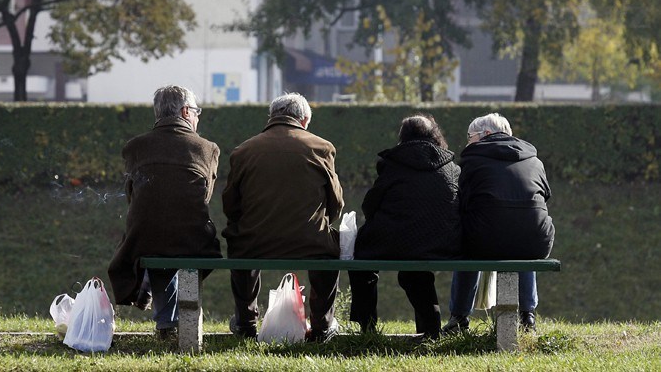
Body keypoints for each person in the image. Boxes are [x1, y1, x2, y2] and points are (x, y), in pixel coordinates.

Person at [222, 92, 344, 342]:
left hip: (255, 242)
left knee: (238, 240)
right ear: (304, 120)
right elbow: (336, 204)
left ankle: (245, 322)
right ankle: (322, 324)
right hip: (310, 243)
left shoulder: (243, 151)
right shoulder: (322, 147)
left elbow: (230, 205)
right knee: (331, 246)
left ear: (272, 117)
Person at [108, 85, 222, 338]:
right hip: (192, 238)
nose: (197, 116)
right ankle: (175, 317)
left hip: (143, 237)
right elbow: (204, 196)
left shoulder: (135, 146)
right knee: (190, 241)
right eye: (196, 111)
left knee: (156, 237)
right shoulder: (207, 148)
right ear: (184, 112)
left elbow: (132, 195)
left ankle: (165, 323)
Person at [348, 115, 462, 339]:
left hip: (393, 241)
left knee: (362, 262)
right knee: (414, 273)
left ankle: (367, 327)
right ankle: (431, 328)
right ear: (434, 135)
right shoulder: (451, 168)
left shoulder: (392, 163)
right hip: (443, 242)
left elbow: (370, 204)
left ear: (403, 136)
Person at [442, 113, 555, 334]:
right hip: (538, 241)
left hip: (484, 241)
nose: (467, 142)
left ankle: (459, 317)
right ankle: (527, 316)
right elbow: (545, 195)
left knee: (466, 243)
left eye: (470, 136)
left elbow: (460, 201)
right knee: (524, 239)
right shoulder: (534, 160)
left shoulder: (471, 161)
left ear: (485, 135)